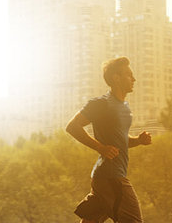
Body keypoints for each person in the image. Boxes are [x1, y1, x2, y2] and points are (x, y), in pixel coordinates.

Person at [65, 56, 152, 223]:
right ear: (116, 78)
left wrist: (138, 140)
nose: (134, 79)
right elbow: (72, 126)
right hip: (111, 176)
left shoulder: (124, 107)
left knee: (91, 220)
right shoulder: (101, 104)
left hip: (104, 177)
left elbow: (120, 141)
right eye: (129, 75)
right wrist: (100, 148)